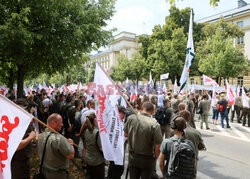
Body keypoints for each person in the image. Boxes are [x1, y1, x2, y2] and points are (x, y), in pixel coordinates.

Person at [124, 102, 163, 179]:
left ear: (141, 109)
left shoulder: (131, 118)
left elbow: (125, 134)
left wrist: (134, 138)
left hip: (133, 156)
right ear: (153, 112)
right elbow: (158, 146)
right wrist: (155, 158)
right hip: (147, 158)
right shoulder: (154, 124)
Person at [37, 113, 75, 179]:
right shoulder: (59, 139)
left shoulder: (41, 136)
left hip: (44, 172)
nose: (62, 125)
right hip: (58, 175)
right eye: (61, 122)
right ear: (53, 123)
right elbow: (71, 155)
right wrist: (71, 144)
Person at [11, 98, 36, 179]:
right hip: (18, 161)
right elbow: (17, 145)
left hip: (23, 160)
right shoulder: (14, 123)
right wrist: (30, 137)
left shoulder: (23, 120)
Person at [179, 110, 206, 175]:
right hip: (192, 161)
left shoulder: (175, 131)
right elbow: (201, 147)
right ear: (189, 119)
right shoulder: (196, 132)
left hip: (178, 160)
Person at [82, 112, 105, 179]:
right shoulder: (97, 132)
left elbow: (85, 146)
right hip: (97, 162)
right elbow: (101, 149)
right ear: (95, 120)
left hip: (89, 160)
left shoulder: (86, 131)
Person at [107, 106, 127, 179]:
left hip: (119, 149)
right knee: (116, 168)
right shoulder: (114, 122)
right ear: (119, 113)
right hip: (115, 149)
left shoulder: (121, 121)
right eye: (123, 113)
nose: (125, 115)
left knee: (117, 168)